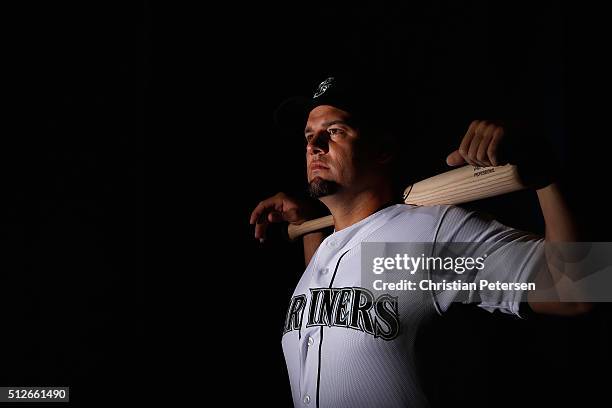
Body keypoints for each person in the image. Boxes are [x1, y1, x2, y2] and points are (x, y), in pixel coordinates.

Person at [249, 74, 591, 408]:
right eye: (310, 135)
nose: (314, 145)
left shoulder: (426, 237)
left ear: (382, 149)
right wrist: (308, 226)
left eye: (335, 131)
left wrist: (544, 174)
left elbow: (574, 289)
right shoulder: (325, 248)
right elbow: (331, 305)